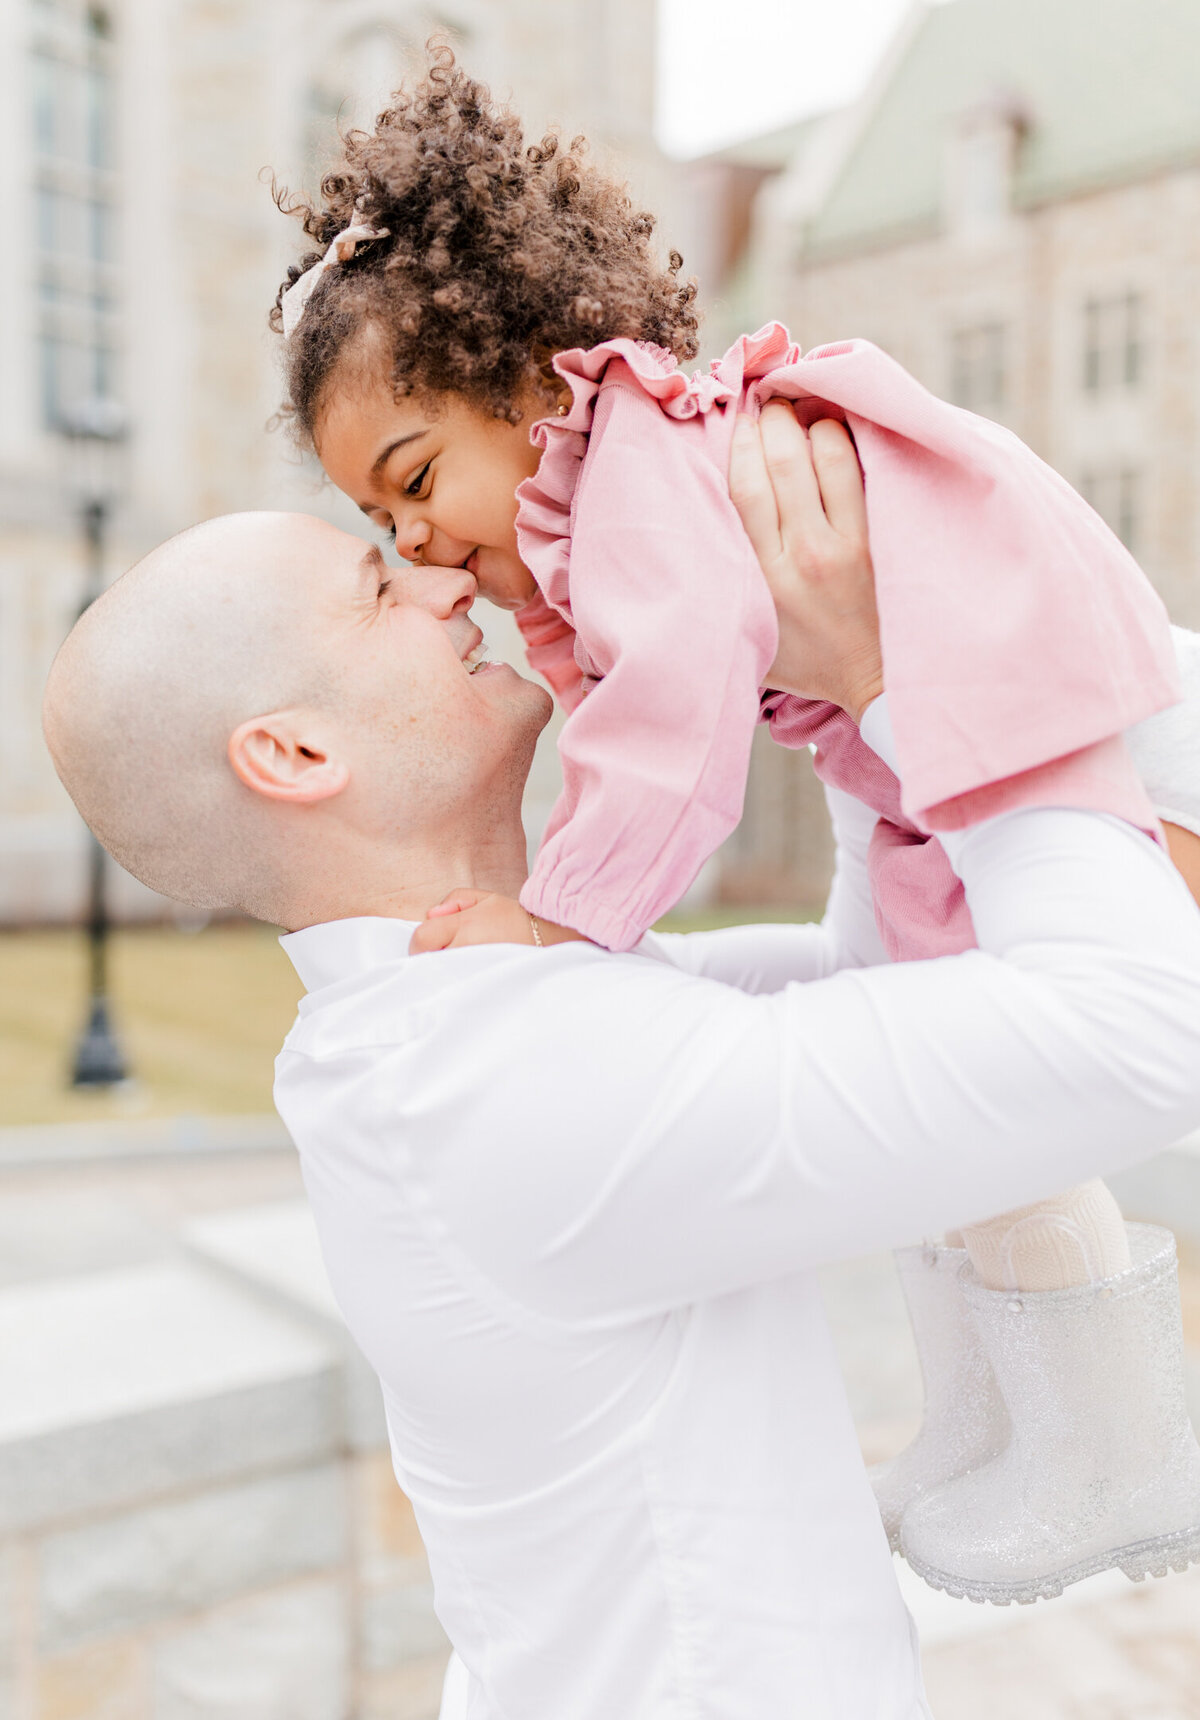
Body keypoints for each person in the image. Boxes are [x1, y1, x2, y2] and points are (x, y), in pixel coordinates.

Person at [42, 412, 1200, 1720]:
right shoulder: (500, 1090)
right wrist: (902, 668)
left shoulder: (471, 1023)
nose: (443, 581)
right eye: (374, 589)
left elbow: (878, 979)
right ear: (292, 756)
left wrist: (833, 687)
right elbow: (1138, 1024)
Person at [271, 48, 1199, 1599]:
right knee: (947, 1057)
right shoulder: (600, 490)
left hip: (1061, 690)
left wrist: (565, 919)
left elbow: (676, 713)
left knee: (1025, 1069)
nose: (419, 538)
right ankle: (999, 1425)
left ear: (524, 380)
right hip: (958, 729)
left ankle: (1117, 1452)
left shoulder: (636, 464)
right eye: (379, 521)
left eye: (417, 476)